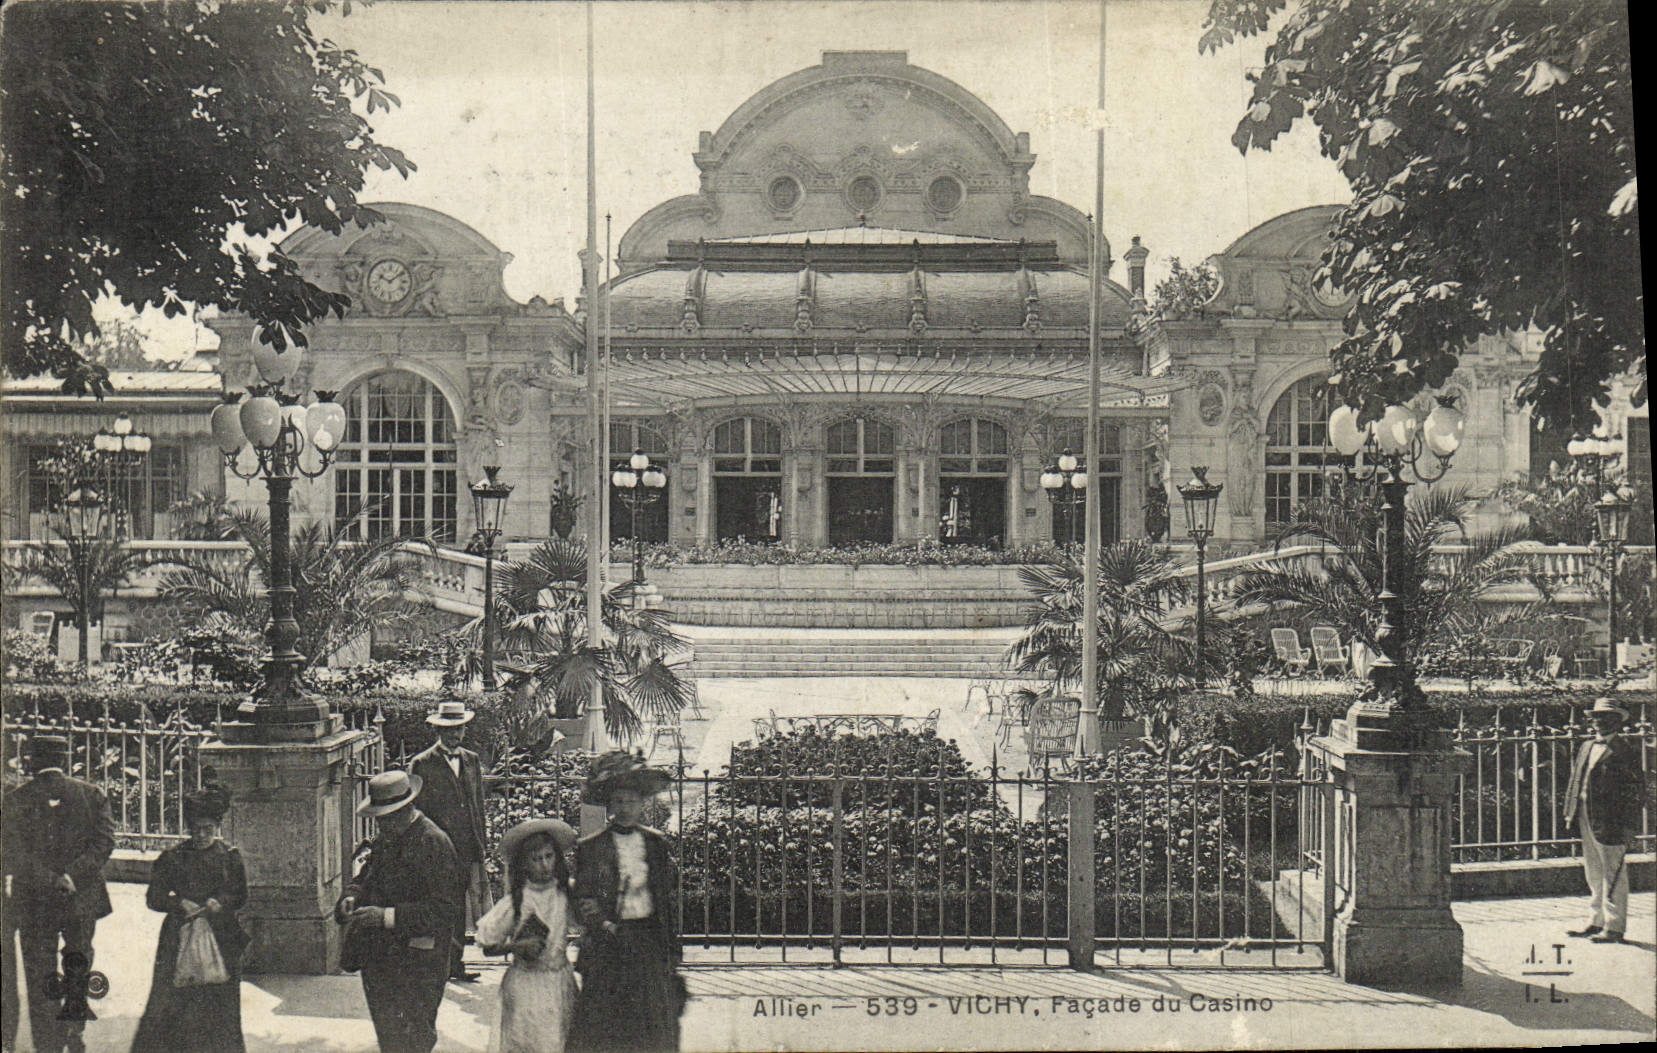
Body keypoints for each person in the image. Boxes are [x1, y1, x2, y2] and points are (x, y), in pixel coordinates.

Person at [335, 770, 463, 1053]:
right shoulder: (386, 839)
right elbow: (364, 877)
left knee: (414, 1037)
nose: (382, 824)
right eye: (379, 817)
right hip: (380, 959)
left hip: (419, 961)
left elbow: (443, 911)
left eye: (388, 817)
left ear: (407, 809)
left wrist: (385, 917)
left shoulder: (434, 843)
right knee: (390, 1037)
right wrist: (351, 897)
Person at [0, 735, 114, 1053]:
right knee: (79, 960)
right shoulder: (91, 794)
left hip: (35, 899)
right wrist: (72, 875)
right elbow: (105, 842)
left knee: (40, 971)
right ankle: (74, 1030)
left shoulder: (16, 798)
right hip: (82, 896)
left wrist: (51, 879)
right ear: (65, 760)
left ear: (30, 762)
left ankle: (47, 1043)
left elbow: (12, 852)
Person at [568, 752, 685, 1053]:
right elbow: (583, 900)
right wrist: (604, 923)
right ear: (609, 804)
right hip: (609, 946)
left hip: (647, 942)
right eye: (618, 801)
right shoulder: (591, 848)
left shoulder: (656, 845)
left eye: (631, 801)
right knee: (605, 1027)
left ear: (643, 804)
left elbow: (664, 901)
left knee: (652, 1025)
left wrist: (671, 950)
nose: (624, 809)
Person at [130, 784, 249, 1053]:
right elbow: (153, 897)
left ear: (217, 826)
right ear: (188, 827)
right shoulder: (173, 857)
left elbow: (241, 895)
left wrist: (221, 903)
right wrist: (178, 903)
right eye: (196, 829)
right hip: (179, 936)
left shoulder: (229, 857)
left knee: (219, 1002)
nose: (202, 835)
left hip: (220, 938)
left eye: (208, 828)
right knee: (174, 1002)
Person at [475, 819, 579, 1053]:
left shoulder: (565, 893)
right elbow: (488, 946)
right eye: (536, 858)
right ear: (524, 864)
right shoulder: (517, 901)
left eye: (549, 856)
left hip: (559, 981)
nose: (544, 865)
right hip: (525, 986)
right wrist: (516, 946)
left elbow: (586, 923)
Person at [409, 699, 490, 983]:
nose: (455, 735)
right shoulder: (422, 763)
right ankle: (437, 964)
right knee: (440, 906)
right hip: (438, 849)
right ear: (438, 731)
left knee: (460, 907)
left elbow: (478, 805)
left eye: (459, 729)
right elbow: (417, 811)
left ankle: (455, 964)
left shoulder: (472, 760)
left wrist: (482, 845)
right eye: (449, 730)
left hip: (467, 847)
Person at [1564, 697, 1645, 945]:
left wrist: (1630, 826)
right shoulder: (1587, 746)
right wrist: (1570, 812)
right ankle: (1596, 920)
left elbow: (1636, 790)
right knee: (1593, 871)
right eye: (1596, 717)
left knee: (1614, 874)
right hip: (1586, 814)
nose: (1598, 722)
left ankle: (1614, 927)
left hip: (1612, 820)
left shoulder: (1624, 750)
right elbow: (1576, 780)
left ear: (1617, 721)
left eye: (1605, 718)